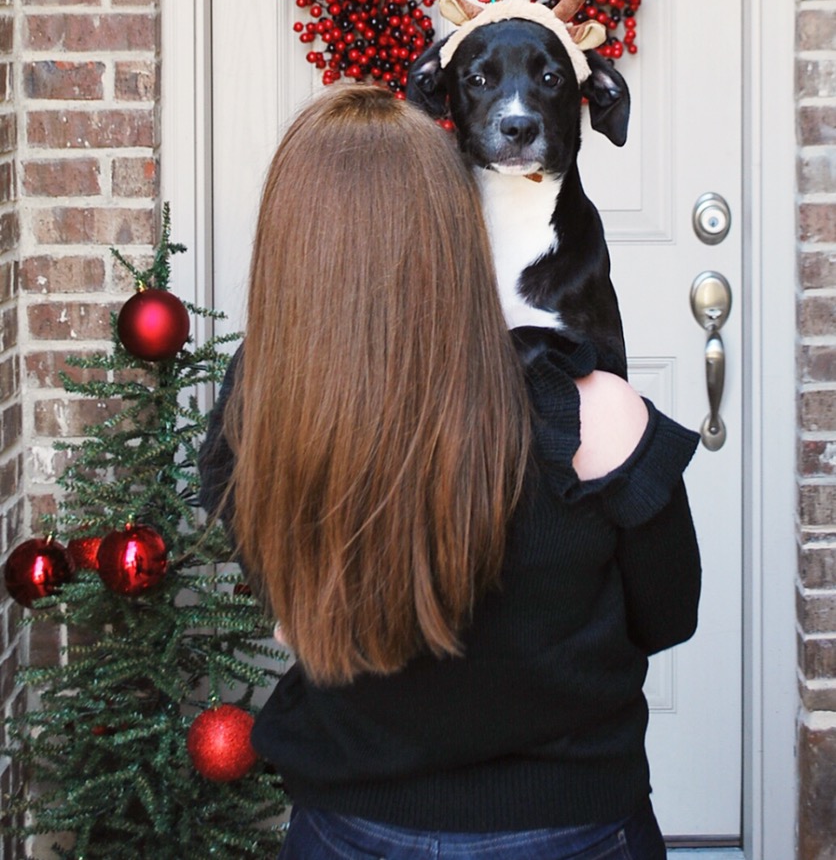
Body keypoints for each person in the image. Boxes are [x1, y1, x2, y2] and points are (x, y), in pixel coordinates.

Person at [199, 83, 701, 860]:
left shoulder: (260, 403)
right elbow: (668, 617)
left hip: (350, 826)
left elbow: (289, 598)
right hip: (574, 822)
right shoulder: (595, 413)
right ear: (454, 231)